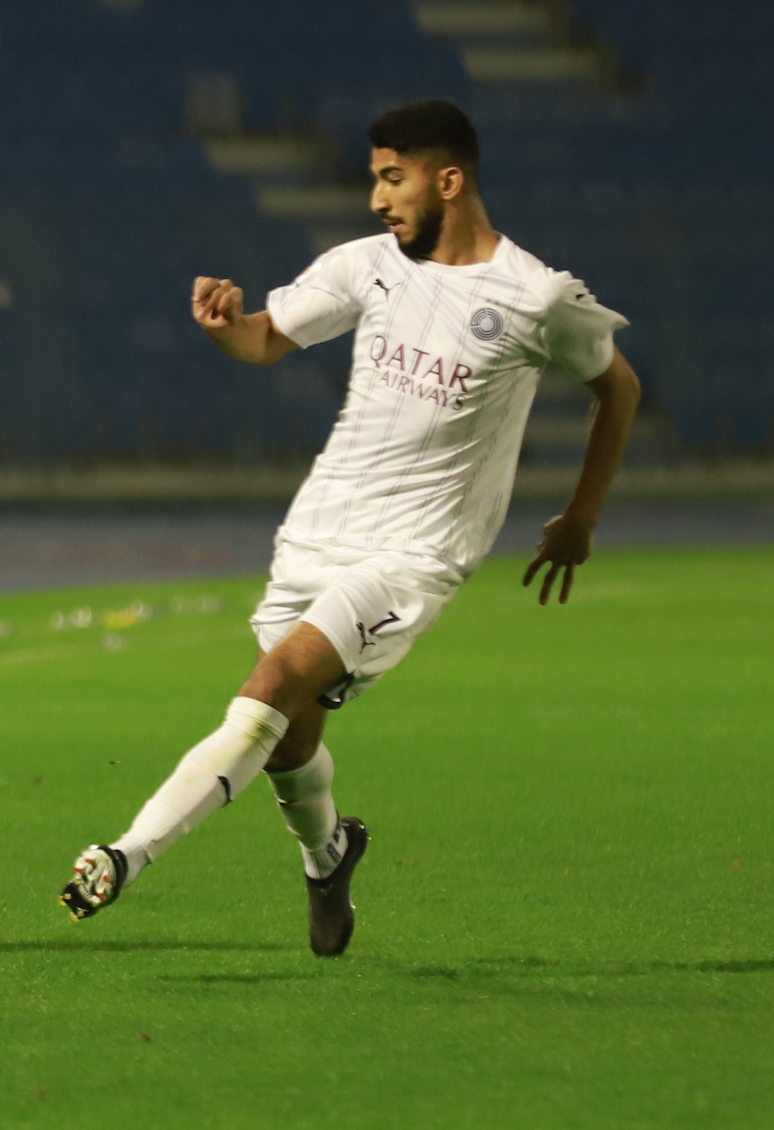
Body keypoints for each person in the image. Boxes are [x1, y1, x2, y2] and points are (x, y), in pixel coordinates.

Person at [58, 99, 641, 956]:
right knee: (291, 737)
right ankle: (329, 857)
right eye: (375, 178)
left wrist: (582, 516)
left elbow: (618, 388)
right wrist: (226, 328)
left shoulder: (535, 296)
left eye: (391, 178)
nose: (377, 198)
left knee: (269, 687)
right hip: (316, 538)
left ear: (450, 180)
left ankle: (124, 854)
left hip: (413, 557)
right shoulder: (367, 265)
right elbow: (264, 341)